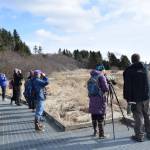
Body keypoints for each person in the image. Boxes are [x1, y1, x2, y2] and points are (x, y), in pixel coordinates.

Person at [123, 54, 150, 142]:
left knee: (138, 116)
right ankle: (148, 133)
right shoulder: (145, 69)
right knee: (146, 114)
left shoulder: (129, 70)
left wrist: (128, 99)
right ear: (139, 59)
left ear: (132, 60)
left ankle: (139, 135)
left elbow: (127, 86)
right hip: (146, 97)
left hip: (135, 98)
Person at [88, 65, 109, 139]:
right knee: (100, 115)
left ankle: (95, 132)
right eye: (104, 70)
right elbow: (106, 88)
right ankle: (101, 134)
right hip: (100, 98)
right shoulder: (101, 76)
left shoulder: (91, 77)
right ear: (102, 70)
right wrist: (108, 83)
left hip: (92, 98)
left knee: (94, 114)